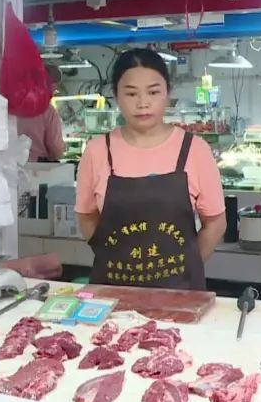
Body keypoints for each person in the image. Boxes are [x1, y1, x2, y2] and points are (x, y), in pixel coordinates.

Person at [75, 48, 226, 290]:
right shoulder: (97, 151)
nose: (143, 103)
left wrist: (187, 266)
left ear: (168, 93)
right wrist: (112, 256)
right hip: (113, 291)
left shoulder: (195, 150)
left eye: (153, 92)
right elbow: (86, 216)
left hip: (180, 293)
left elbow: (216, 223)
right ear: (116, 96)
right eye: (131, 93)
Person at [17, 65, 65, 162]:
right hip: (38, 166)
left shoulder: (15, 104)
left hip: (12, 164)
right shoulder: (48, 111)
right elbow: (55, 147)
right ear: (52, 85)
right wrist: (62, 149)